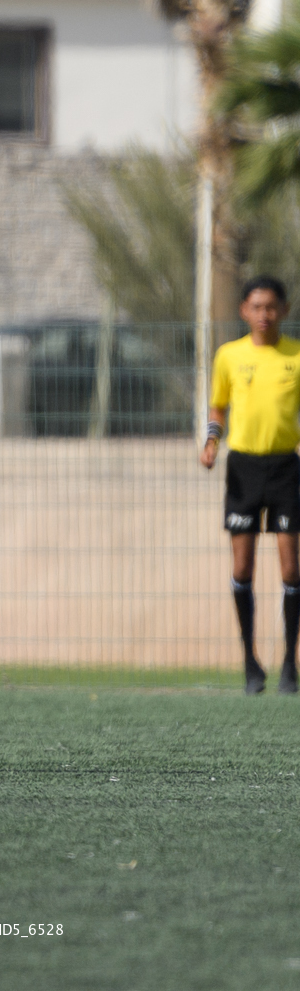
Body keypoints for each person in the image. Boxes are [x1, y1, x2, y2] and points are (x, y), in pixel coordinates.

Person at [201, 275, 300, 694]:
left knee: (291, 566)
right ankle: (249, 663)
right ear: (244, 310)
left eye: (271, 307)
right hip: (243, 468)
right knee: (242, 567)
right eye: (256, 307)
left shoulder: (295, 355)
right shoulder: (229, 355)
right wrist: (211, 440)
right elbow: (218, 405)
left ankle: (289, 667)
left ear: (284, 311)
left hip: (285, 468)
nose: (264, 314)